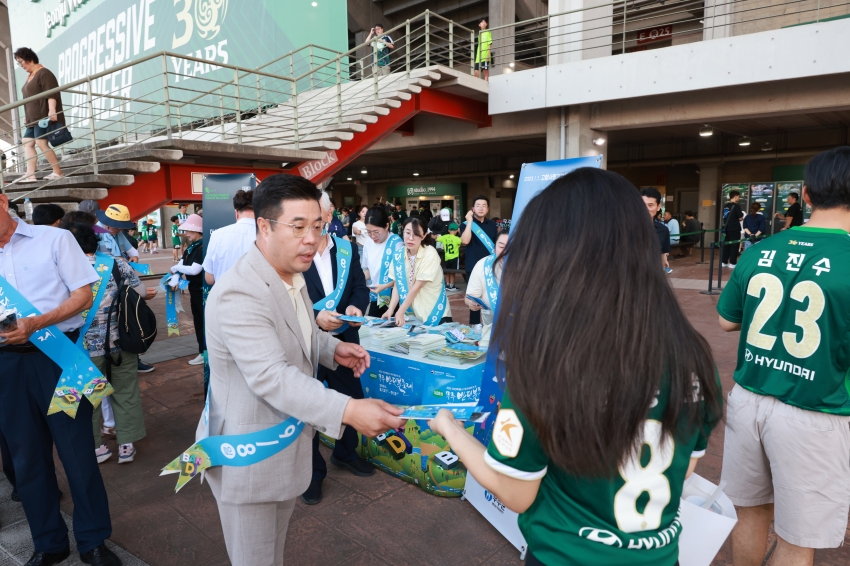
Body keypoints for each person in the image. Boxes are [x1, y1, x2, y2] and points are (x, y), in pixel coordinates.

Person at [429, 167, 723, 566]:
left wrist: (448, 428)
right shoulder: (692, 354)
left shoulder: (551, 358)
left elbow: (516, 491)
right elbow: (685, 469)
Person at [202, 173, 404, 565]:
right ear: (263, 226)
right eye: (298, 227)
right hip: (250, 458)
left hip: (283, 449)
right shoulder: (241, 291)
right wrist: (348, 410)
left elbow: (296, 331)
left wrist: (332, 348)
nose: (311, 238)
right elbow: (270, 375)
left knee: (274, 552)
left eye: (317, 226)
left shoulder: (287, 275)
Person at [716, 147, 850, 566]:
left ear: (805, 195)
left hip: (749, 398)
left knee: (749, 512)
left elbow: (726, 322)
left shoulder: (762, 250)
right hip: (816, 412)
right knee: (797, 535)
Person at [0, 193, 122, 566]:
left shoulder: (54, 239)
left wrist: (38, 323)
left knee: (77, 453)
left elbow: (83, 296)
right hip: (6, 368)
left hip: (58, 359)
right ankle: (48, 542)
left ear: (2, 200)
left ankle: (93, 541)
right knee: (26, 459)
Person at [302, 192, 372, 505]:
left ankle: (345, 453)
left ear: (329, 216)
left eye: (319, 215)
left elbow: (359, 286)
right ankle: (312, 475)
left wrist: (357, 307)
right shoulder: (294, 251)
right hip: (307, 343)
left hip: (345, 340)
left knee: (350, 400)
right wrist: (315, 316)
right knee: (309, 407)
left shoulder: (346, 248)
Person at [65, 222, 148, 466]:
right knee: (126, 393)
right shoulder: (116, 263)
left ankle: (96, 447)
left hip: (83, 348)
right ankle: (126, 446)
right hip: (120, 343)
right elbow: (140, 291)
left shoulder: (65, 269)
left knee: (88, 398)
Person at [383, 216, 452, 326]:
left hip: (435, 314)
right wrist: (391, 310)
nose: (411, 238)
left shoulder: (430, 253)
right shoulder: (398, 255)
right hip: (413, 316)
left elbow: (417, 286)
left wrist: (400, 311)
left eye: (416, 234)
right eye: (407, 232)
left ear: (424, 235)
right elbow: (398, 284)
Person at [15, 47, 64, 181]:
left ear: (29, 59)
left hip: (41, 116)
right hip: (32, 117)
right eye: (18, 63)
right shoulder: (30, 76)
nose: (21, 65)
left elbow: (51, 93)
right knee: (27, 142)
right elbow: (29, 98)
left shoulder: (44, 73)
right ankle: (30, 174)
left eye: (21, 62)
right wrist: (26, 115)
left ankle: (57, 172)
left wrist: (52, 110)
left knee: (41, 142)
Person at [169, 214, 205, 366]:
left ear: (197, 230)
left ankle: (207, 352)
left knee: (204, 322)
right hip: (195, 290)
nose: (186, 233)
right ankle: (203, 351)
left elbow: (195, 269)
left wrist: (176, 267)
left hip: (204, 291)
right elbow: (183, 264)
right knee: (198, 321)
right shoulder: (191, 247)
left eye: (189, 230)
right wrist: (175, 276)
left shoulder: (203, 246)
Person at [202, 189, 256, 286]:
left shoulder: (217, 235)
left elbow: (209, 279)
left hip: (223, 298)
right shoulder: (268, 235)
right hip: (258, 299)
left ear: (236, 213)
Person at [464, 229, 508, 345]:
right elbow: (470, 297)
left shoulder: (528, 267)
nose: (505, 251)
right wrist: (472, 303)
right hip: (491, 330)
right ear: (495, 247)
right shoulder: (483, 265)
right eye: (501, 246)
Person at [461, 195, 499, 324]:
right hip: (473, 266)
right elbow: (465, 240)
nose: (481, 208)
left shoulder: (492, 225)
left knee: (491, 296)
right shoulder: (466, 225)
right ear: (472, 208)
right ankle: (476, 325)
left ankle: (493, 323)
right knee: (474, 298)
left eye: (484, 206)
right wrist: (470, 221)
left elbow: (496, 245)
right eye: (478, 205)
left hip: (491, 266)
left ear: (488, 209)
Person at [361, 206, 402, 317]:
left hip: (395, 299)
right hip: (377, 297)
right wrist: (356, 278)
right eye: (369, 232)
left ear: (387, 226)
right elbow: (370, 271)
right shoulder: (368, 244)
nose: (373, 236)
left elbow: (403, 277)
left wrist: (384, 286)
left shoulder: (396, 244)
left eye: (376, 232)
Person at [640, 188, 671, 273]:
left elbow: (662, 253)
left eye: (650, 205)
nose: (645, 209)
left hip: (653, 275)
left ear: (658, 207)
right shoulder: (626, 228)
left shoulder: (663, 230)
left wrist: (664, 262)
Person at [722, 190, 744, 269]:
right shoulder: (736, 206)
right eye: (738, 196)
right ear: (735, 196)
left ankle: (724, 261)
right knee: (734, 245)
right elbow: (740, 216)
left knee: (726, 245)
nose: (739, 198)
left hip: (727, 228)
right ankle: (732, 263)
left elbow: (726, 217)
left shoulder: (726, 206)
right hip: (735, 229)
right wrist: (739, 218)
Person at [437, 223, 462, 291]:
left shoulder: (445, 237)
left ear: (448, 230)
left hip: (447, 257)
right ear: (457, 230)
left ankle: (447, 284)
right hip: (454, 257)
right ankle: (452, 285)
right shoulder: (457, 238)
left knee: (447, 271)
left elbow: (437, 239)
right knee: (453, 272)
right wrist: (460, 232)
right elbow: (463, 241)